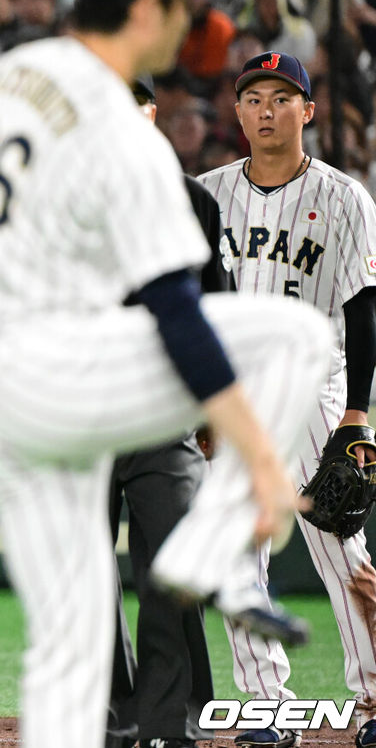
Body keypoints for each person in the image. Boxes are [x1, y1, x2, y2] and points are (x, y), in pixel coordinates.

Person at [0, 0, 332, 748]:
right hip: (64, 377)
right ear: (146, 4)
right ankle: (196, 555)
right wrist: (258, 455)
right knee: (297, 338)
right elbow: (180, 313)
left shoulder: (4, 80)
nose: (193, 19)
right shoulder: (121, 137)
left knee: (70, 649)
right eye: (184, 2)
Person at [198, 52, 376, 748]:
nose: (267, 110)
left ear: (308, 111)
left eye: (282, 97)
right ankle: (267, 707)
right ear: (238, 113)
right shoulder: (207, 195)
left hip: (314, 383)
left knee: (340, 545)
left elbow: (364, 309)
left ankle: (372, 700)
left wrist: (357, 413)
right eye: (254, 98)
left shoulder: (344, 197)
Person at [107, 76, 233, 748]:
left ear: (150, 114)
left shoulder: (192, 202)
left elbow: (217, 307)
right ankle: (106, 717)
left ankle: (175, 717)